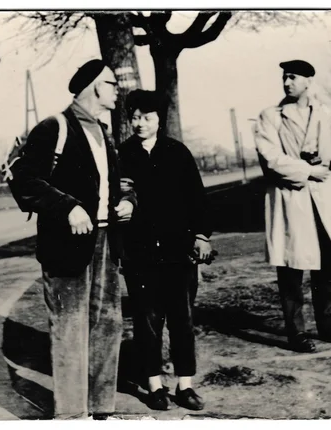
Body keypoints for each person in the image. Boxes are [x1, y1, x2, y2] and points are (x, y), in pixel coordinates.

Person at [10, 59, 136, 419]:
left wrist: (128, 200)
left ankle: (100, 408)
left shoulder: (103, 131)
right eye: (112, 83)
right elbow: (25, 182)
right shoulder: (55, 127)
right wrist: (67, 207)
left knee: (107, 325)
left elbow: (120, 181)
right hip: (67, 245)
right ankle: (71, 416)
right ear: (96, 86)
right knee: (70, 329)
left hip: (107, 241)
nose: (116, 90)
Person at [253, 60, 331, 353]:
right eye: (284, 78)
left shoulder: (326, 112)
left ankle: (327, 325)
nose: (286, 83)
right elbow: (270, 157)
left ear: (308, 81)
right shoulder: (271, 116)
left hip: (323, 199)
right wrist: (307, 171)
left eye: (292, 78)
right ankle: (296, 332)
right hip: (292, 197)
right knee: (292, 266)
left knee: (322, 265)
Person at [118, 90, 213, 411]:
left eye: (146, 117)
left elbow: (198, 199)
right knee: (146, 321)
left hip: (178, 253)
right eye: (134, 117)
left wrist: (201, 235)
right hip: (140, 255)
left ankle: (185, 384)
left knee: (182, 320)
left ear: (159, 119)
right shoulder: (123, 155)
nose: (139, 123)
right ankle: (154, 384)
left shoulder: (177, 152)